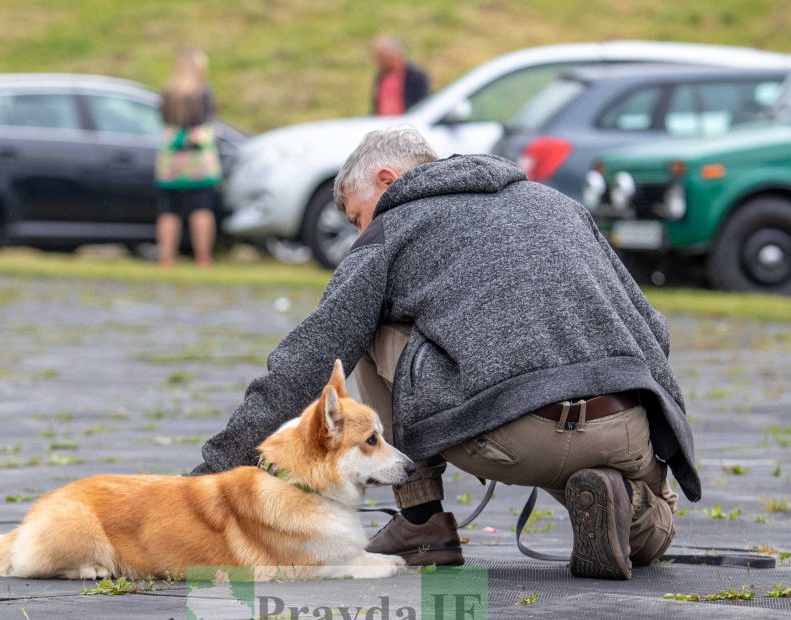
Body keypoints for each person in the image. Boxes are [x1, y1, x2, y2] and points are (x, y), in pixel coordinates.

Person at [196, 126, 699, 581]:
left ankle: (421, 522)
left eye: (356, 216)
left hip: (516, 434)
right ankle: (632, 505)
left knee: (365, 325)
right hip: (626, 426)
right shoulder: (559, 204)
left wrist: (210, 478)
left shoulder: (394, 229)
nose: (358, 232)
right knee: (647, 534)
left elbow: (307, 364)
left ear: (388, 180)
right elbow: (654, 328)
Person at [154, 47, 221, 268]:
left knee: (169, 210)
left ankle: (166, 258)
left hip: (172, 157)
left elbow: (162, 119)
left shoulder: (168, 92)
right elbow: (207, 122)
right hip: (197, 158)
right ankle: (203, 258)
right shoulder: (203, 92)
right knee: (201, 208)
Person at [371, 35, 429, 116]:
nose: (379, 62)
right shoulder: (381, 77)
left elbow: (422, 103)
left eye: (383, 57)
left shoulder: (415, 76)